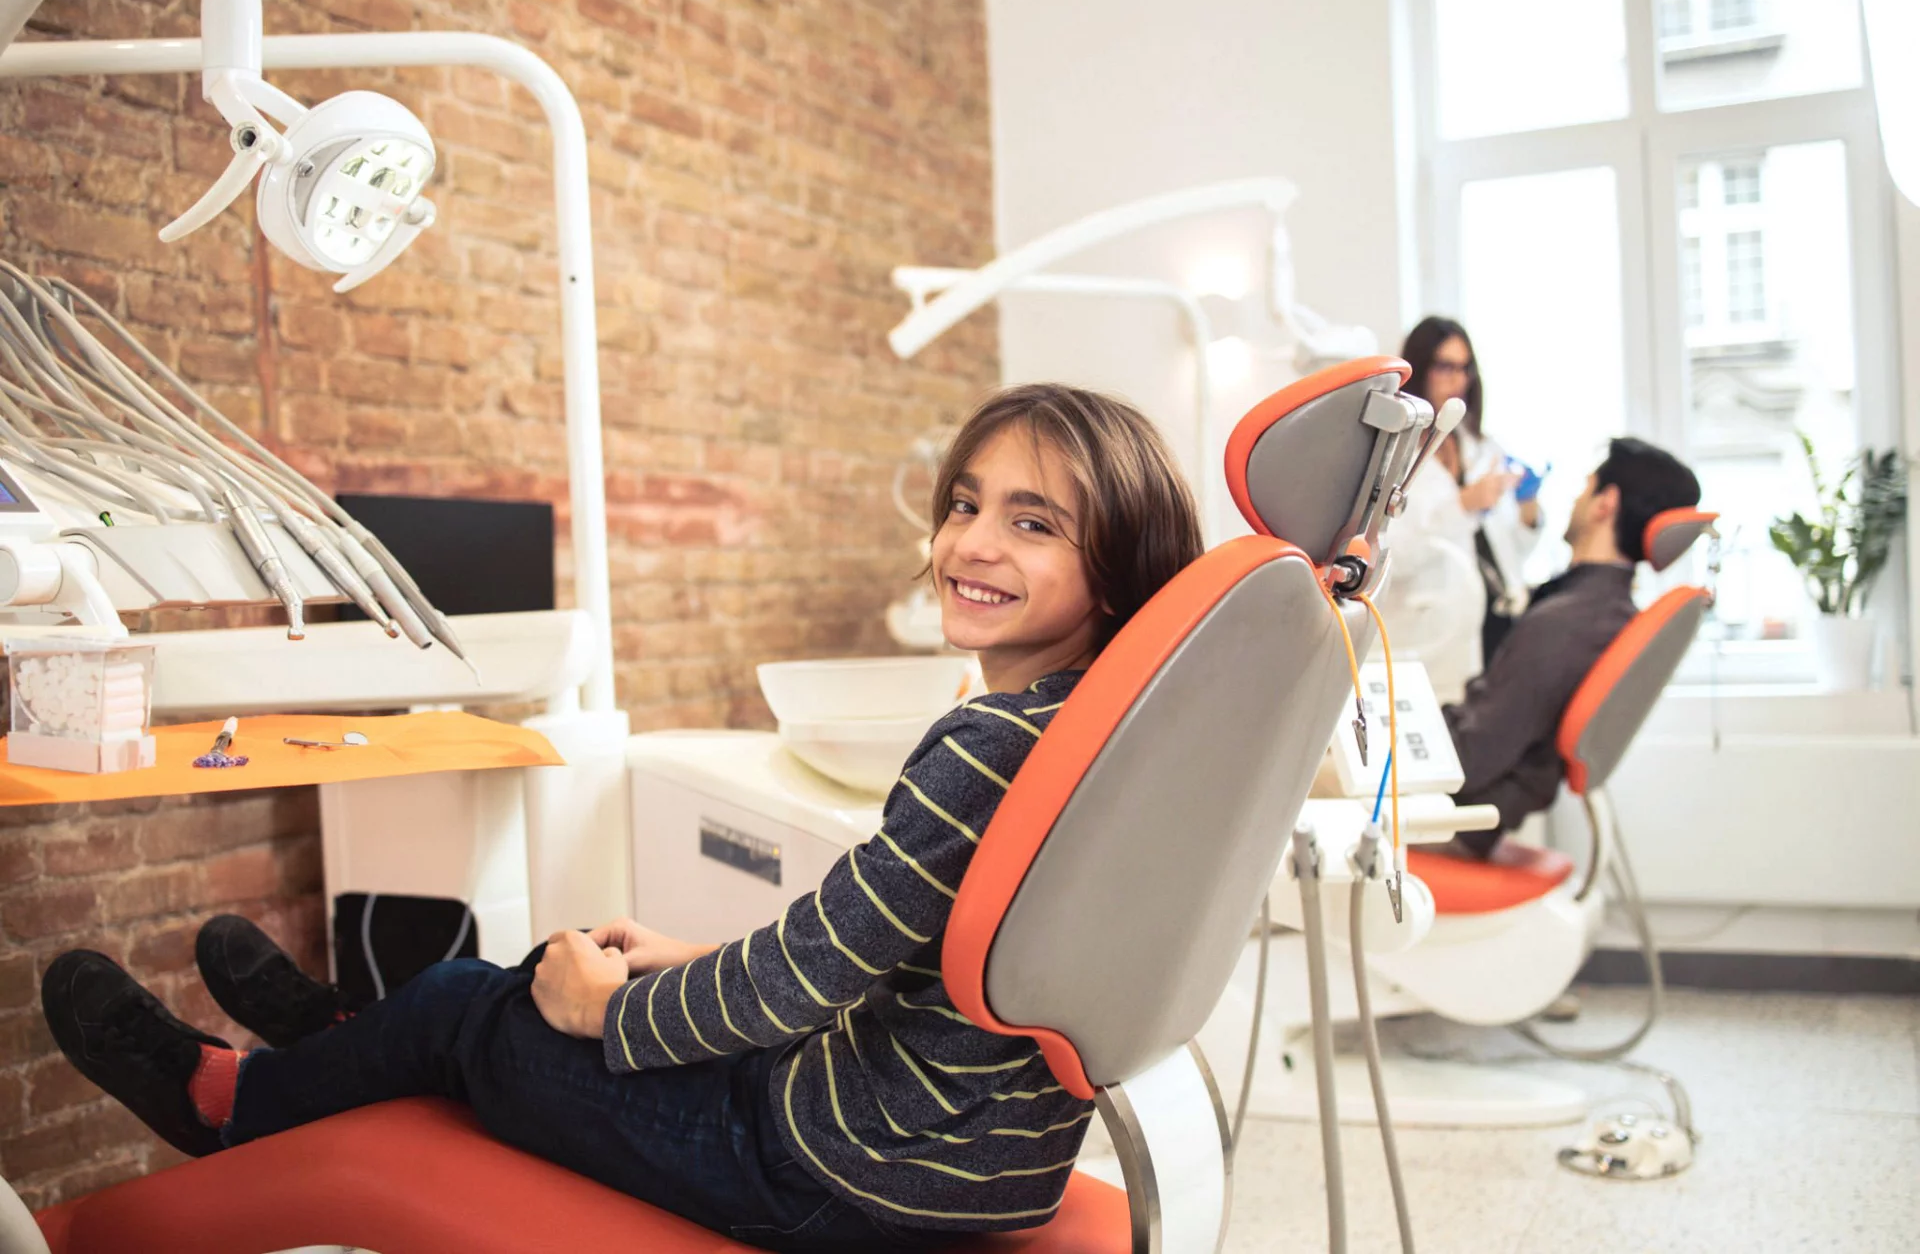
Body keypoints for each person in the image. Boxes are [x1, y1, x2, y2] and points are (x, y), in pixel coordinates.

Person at [39, 384, 1206, 1248]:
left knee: (476, 1002)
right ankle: (345, 1036)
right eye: (966, 503)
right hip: (964, 1159)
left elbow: (795, 986)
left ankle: (233, 1102)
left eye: (1034, 521)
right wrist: (684, 956)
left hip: (832, 1171)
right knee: (498, 995)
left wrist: (614, 1013)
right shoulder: (1091, 744)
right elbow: (889, 953)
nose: (974, 541)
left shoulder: (987, 748)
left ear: (1116, 564)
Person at [1441, 437, 1700, 859]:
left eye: (1586, 487)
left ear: (1606, 503)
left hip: (1451, 821)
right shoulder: (1601, 611)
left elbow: (1467, 761)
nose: (1576, 499)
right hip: (1472, 801)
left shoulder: (1566, 625)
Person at [1397, 317, 1546, 679]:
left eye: (1465, 369)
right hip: (1433, 629)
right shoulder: (1396, 457)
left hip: (1497, 617)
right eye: (1445, 366)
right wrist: (1462, 505)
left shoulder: (1482, 447)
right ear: (1419, 370)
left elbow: (1510, 549)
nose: (1458, 380)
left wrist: (1528, 509)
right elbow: (1393, 556)